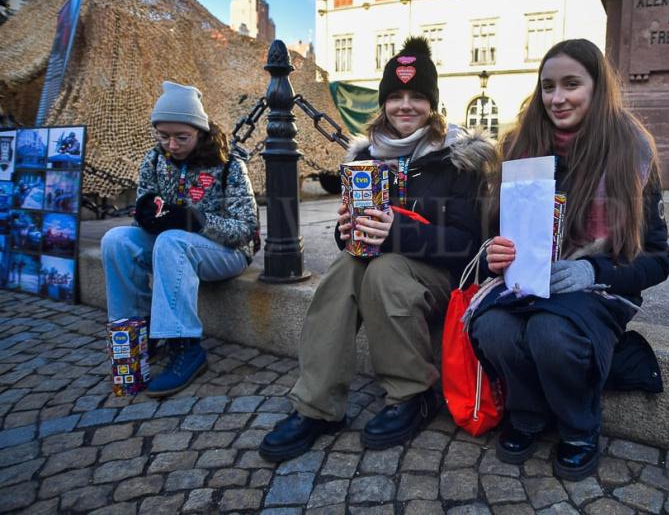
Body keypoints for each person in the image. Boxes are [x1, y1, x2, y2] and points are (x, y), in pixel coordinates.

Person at [259, 37, 497, 461]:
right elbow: (355, 238)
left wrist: (397, 231)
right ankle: (317, 405)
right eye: (396, 97)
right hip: (385, 270)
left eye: (418, 97)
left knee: (386, 270)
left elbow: (469, 247)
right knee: (344, 270)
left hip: (440, 278)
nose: (405, 106)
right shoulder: (366, 157)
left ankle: (412, 394)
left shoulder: (459, 160)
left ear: (433, 105)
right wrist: (347, 229)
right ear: (384, 102)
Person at [468, 39, 669, 481]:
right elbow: (493, 237)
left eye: (571, 84)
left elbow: (658, 260)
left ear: (597, 88)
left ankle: (580, 426)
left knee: (551, 331)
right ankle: (527, 414)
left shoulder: (632, 151)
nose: (557, 98)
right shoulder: (521, 145)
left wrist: (590, 270)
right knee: (493, 326)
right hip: (529, 282)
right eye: (548, 87)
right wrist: (496, 254)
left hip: (599, 286)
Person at [101, 81, 259, 397]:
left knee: (173, 240)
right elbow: (146, 202)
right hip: (172, 245)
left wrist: (196, 220)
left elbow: (245, 229)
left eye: (181, 137)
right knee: (116, 239)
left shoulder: (229, 164)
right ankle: (136, 333)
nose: (171, 145)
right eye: (163, 136)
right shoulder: (155, 159)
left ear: (199, 131)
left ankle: (185, 345)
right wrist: (145, 212)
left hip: (226, 252)